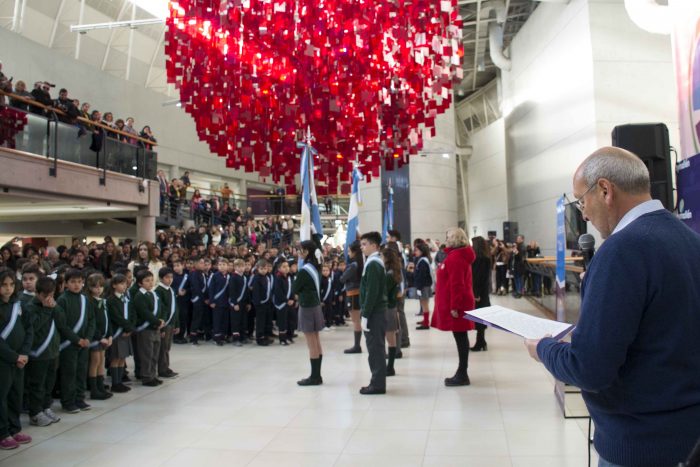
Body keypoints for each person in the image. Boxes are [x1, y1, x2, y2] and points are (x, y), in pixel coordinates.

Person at [524, 147, 700, 467]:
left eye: (581, 201)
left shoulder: (622, 250)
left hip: (640, 445)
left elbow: (589, 369)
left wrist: (544, 348)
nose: (584, 215)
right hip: (686, 436)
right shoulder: (689, 239)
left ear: (605, 190)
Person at [431, 227, 476, 387]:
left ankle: (462, 374)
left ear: (457, 238)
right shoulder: (455, 255)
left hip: (458, 303)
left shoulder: (456, 257)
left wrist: (454, 306)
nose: (446, 238)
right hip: (457, 302)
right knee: (460, 336)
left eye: (449, 236)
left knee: (461, 337)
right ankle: (462, 372)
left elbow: (457, 284)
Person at [0, 268, 33, 450]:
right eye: (3, 285)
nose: (8, 289)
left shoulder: (19, 304)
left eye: (11, 284)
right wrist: (14, 356)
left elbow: (29, 329)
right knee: (2, 396)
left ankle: (14, 428)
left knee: (15, 394)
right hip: (4, 360)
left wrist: (25, 352)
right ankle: (2, 432)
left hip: (20, 358)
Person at [24, 277, 61, 427]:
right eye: (45, 295)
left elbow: (61, 321)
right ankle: (35, 412)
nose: (48, 298)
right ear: (37, 293)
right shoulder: (30, 307)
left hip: (52, 351)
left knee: (49, 383)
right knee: (37, 384)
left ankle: (46, 407)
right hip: (38, 353)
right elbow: (34, 328)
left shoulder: (53, 305)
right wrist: (46, 310)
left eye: (51, 294)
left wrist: (54, 308)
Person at [56, 269, 93, 413]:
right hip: (69, 344)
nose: (76, 285)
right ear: (66, 284)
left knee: (81, 371)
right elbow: (62, 325)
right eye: (72, 282)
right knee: (69, 373)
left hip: (84, 343)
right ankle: (68, 401)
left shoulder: (85, 299)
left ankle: (79, 398)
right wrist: (77, 339)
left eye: (79, 282)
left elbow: (91, 320)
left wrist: (88, 338)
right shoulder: (62, 299)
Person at [358, 231, 388, 395]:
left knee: (375, 349)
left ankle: (377, 384)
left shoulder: (374, 263)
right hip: (375, 311)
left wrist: (366, 314)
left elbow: (372, 292)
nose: (362, 247)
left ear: (374, 246)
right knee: (375, 349)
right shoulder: (373, 261)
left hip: (375, 313)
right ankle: (376, 381)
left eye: (364, 244)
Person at [292, 240, 324, 386]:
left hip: (307, 305)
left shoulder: (305, 270)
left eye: (301, 250)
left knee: (311, 342)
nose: (298, 253)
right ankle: (317, 374)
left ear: (306, 252)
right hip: (315, 304)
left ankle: (314, 376)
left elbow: (295, 288)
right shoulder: (315, 266)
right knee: (316, 340)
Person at [132, 269, 165, 387]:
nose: (150, 283)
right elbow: (145, 312)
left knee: (155, 353)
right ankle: (146, 377)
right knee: (147, 354)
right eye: (147, 281)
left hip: (155, 327)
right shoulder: (139, 296)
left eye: (151, 280)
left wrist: (161, 320)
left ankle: (152, 375)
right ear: (140, 283)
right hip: (146, 329)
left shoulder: (152, 294)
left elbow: (160, 308)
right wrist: (156, 321)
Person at [85, 273, 112, 401]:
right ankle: (94, 389)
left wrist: (110, 335)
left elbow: (108, 319)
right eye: (95, 287)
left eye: (101, 286)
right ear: (89, 287)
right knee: (95, 361)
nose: (99, 289)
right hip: (96, 338)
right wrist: (99, 337)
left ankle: (101, 386)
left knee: (101, 361)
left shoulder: (103, 301)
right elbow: (91, 323)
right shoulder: (90, 302)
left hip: (104, 337)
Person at [105, 274, 133, 393]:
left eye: (125, 283)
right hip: (117, 332)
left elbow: (132, 314)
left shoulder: (125, 298)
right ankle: (115, 383)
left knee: (122, 358)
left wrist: (130, 327)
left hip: (126, 332)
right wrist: (127, 327)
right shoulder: (111, 300)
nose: (124, 286)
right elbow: (116, 316)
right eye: (121, 284)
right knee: (115, 358)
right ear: (114, 285)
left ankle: (120, 381)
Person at [154, 268, 179, 379]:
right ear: (161, 278)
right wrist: (162, 327)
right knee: (163, 347)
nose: (170, 280)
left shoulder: (171, 290)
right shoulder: (159, 290)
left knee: (167, 346)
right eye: (167, 277)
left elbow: (175, 308)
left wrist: (177, 323)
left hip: (171, 323)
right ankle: (162, 369)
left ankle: (166, 366)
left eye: (171, 277)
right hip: (164, 323)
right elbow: (160, 309)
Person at [382, 246, 402, 377]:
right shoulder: (393, 272)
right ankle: (390, 367)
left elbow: (383, 291)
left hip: (388, 308)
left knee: (390, 338)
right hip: (392, 307)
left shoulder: (389, 275)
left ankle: (390, 367)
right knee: (391, 338)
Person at [470, 236, 491, 352]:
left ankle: (480, 342)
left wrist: (476, 293)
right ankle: (481, 341)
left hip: (479, 292)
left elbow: (478, 278)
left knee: (479, 317)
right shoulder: (485, 258)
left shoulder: (480, 259)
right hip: (482, 291)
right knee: (480, 317)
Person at [250, 259, 273, 346]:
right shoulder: (256, 278)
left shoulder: (267, 277)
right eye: (262, 268)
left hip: (267, 302)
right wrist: (258, 302)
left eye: (265, 268)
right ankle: (259, 338)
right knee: (260, 321)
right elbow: (256, 292)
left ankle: (266, 336)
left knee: (267, 320)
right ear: (258, 269)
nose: (264, 270)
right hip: (260, 303)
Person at [208, 258, 230, 346]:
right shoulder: (215, 276)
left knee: (225, 320)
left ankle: (223, 336)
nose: (222, 267)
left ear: (227, 266)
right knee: (217, 320)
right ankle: (216, 337)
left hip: (226, 302)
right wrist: (212, 301)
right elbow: (211, 289)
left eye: (224, 265)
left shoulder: (229, 276)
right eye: (220, 265)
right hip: (217, 302)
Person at [272, 258, 294, 345]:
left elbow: (291, 289)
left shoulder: (289, 277)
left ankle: (289, 336)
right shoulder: (278, 278)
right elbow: (278, 292)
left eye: (287, 266)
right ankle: (282, 339)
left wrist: (292, 299)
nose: (286, 268)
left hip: (289, 302)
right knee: (282, 322)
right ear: (279, 269)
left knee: (289, 320)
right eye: (284, 267)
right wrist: (286, 300)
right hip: (281, 303)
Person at [228, 258, 249, 346]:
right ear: (235, 267)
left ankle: (242, 337)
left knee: (243, 320)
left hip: (244, 303)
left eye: (243, 266)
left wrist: (248, 302)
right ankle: (236, 338)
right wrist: (235, 303)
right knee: (235, 321)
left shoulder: (244, 277)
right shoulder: (233, 277)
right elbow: (232, 291)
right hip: (236, 302)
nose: (241, 268)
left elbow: (246, 291)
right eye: (239, 266)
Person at [414, 242, 433, 330]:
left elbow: (422, 275)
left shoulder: (423, 261)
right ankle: (425, 320)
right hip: (424, 285)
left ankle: (426, 323)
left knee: (425, 304)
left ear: (422, 251)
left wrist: (419, 287)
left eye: (417, 250)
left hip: (423, 286)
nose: (415, 252)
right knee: (423, 303)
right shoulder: (422, 260)